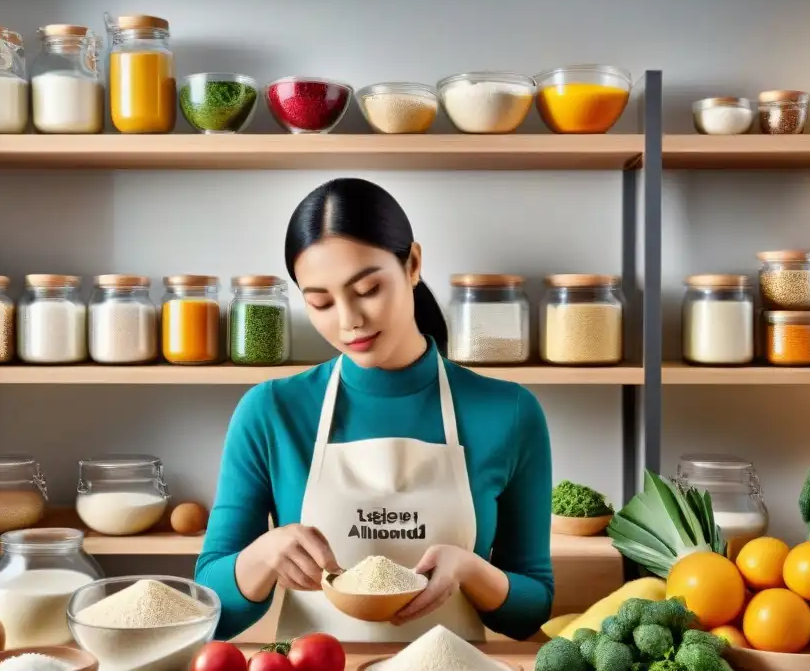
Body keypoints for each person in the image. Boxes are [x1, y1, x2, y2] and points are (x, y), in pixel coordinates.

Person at [196, 177, 554, 643]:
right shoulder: (270, 411)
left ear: (413, 264)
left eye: (367, 289)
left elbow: (531, 611)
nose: (348, 321)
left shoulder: (509, 412)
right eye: (320, 302)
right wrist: (262, 557)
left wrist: (471, 571)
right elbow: (212, 611)